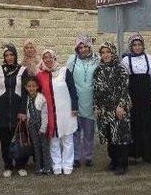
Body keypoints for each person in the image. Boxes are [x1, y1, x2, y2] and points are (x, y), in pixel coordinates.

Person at [36, 49, 78, 175]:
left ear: (55, 58)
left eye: (50, 57)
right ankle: (57, 165)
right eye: (45, 58)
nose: (48, 60)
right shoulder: (40, 75)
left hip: (66, 110)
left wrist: (75, 107)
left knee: (67, 138)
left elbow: (72, 90)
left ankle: (68, 164)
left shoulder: (64, 71)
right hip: (50, 112)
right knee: (53, 139)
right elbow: (37, 93)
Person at [93, 42, 132, 176]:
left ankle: (122, 163)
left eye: (107, 52)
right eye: (103, 52)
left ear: (113, 52)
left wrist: (121, 106)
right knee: (110, 136)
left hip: (118, 108)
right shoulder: (98, 69)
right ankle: (114, 161)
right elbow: (96, 90)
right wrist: (97, 107)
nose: (105, 55)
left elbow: (124, 88)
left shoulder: (120, 68)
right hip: (105, 110)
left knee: (120, 136)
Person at [121, 34, 151, 163]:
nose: (137, 47)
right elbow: (124, 81)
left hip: (147, 94)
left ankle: (148, 153)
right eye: (134, 45)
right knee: (134, 123)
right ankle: (134, 153)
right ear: (131, 47)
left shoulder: (149, 58)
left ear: (143, 46)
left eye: (139, 45)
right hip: (133, 95)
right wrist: (126, 98)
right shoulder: (126, 60)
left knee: (147, 122)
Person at [0, 44, 29, 178]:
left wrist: (23, 111)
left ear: (15, 56)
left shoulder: (23, 70)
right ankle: (8, 165)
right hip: (2, 111)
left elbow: (25, 93)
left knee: (19, 139)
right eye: (7, 55)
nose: (9, 57)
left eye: (11, 55)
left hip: (18, 111)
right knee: (5, 140)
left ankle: (20, 165)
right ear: (4, 57)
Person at [66, 35, 99, 168]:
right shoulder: (72, 60)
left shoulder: (97, 60)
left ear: (89, 47)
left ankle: (88, 156)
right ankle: (76, 157)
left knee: (89, 132)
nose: (83, 49)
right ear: (77, 48)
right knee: (76, 131)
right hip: (76, 100)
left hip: (91, 100)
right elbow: (67, 79)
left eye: (86, 46)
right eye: (80, 47)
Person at [24, 77, 51, 175]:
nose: (31, 88)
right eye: (29, 86)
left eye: (34, 86)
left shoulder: (41, 98)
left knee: (44, 146)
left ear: (37, 87)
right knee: (36, 146)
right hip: (31, 125)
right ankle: (38, 167)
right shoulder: (26, 98)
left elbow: (44, 114)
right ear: (26, 87)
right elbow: (27, 113)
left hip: (41, 125)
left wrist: (43, 127)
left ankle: (47, 167)